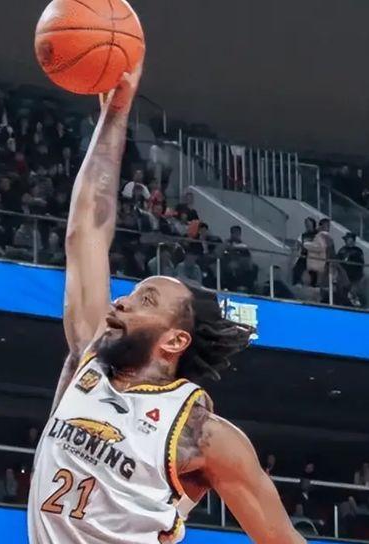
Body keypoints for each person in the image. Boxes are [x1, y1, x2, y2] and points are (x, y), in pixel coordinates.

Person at [27, 65, 304, 544]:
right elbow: (85, 230)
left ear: (175, 340)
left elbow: (283, 539)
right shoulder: (89, 362)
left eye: (145, 300)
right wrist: (115, 114)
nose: (121, 301)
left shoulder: (203, 433)